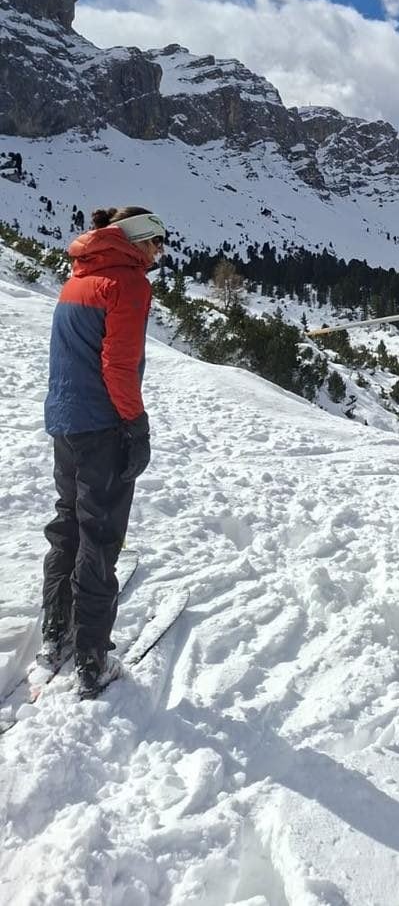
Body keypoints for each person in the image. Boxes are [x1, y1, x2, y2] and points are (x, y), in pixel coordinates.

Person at [41, 205, 167, 698]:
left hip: (66, 422)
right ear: (135, 239)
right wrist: (136, 426)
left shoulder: (79, 277)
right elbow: (118, 367)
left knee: (67, 521)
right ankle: (92, 658)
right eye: (156, 240)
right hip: (101, 427)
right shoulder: (129, 284)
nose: (160, 252)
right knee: (100, 535)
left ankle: (56, 631)